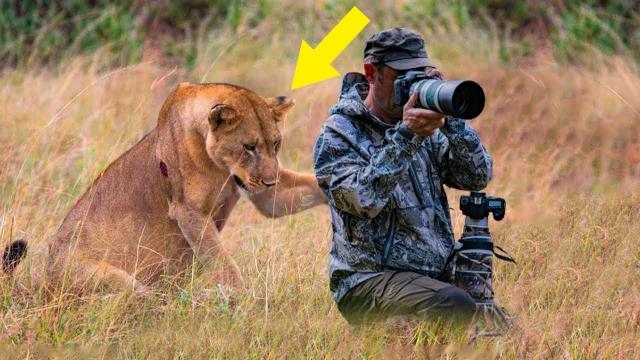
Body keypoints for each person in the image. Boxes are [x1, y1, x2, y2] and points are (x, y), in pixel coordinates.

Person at [312, 28, 493, 325]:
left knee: (501, 329)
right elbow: (363, 199)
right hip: (367, 281)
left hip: (432, 280)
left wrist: (453, 122)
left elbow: (477, 176)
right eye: (402, 77)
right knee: (455, 305)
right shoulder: (339, 133)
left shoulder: (426, 128)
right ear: (372, 73)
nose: (412, 87)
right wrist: (407, 136)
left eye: (419, 76)